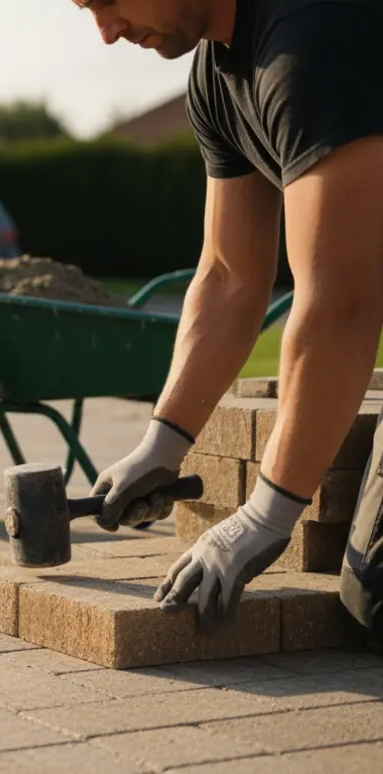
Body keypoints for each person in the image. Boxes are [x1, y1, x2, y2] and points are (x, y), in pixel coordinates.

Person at [76, 0, 383, 634]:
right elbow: (228, 276)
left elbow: (342, 303)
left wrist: (264, 517)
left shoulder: (311, 44)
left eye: (107, 1)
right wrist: (161, 444)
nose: (106, 32)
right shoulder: (216, 78)